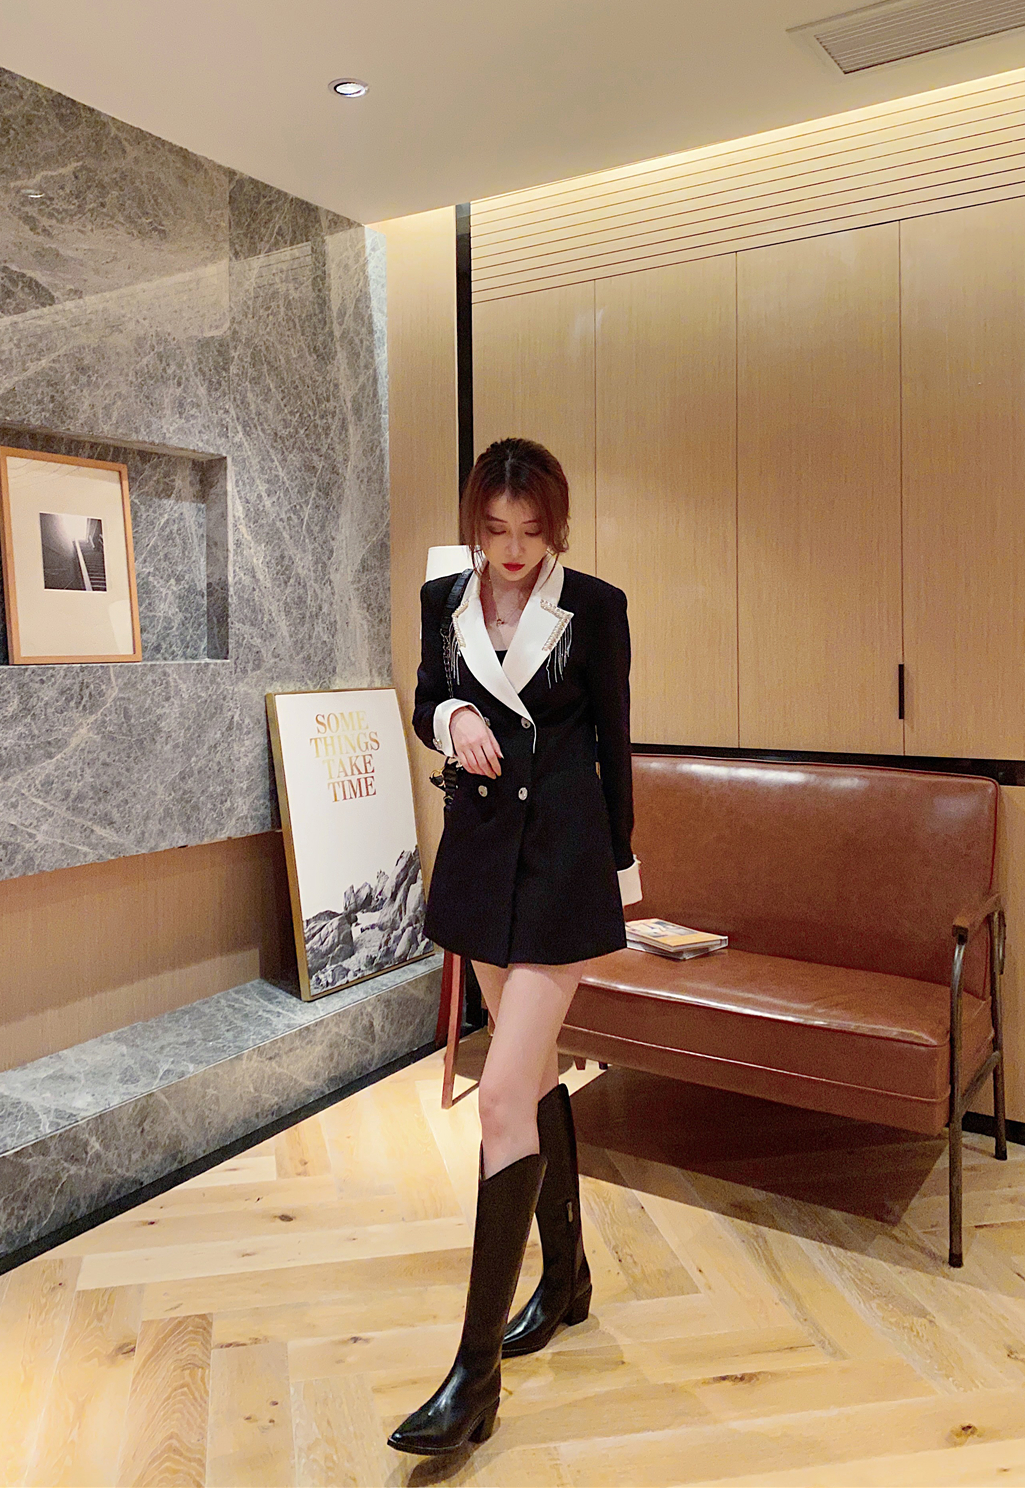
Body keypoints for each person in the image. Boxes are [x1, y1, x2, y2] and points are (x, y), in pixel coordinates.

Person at [387, 437, 641, 1456]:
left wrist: (621, 874)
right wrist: (452, 715)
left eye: (532, 532)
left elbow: (613, 742)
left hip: (565, 866)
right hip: (484, 861)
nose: (514, 550)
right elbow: (424, 697)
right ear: (475, 525)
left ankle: (474, 1377)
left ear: (555, 526)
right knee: (530, 1079)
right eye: (496, 531)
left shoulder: (596, 609)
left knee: (498, 1097)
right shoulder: (443, 599)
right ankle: (568, 1278)